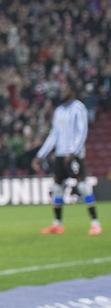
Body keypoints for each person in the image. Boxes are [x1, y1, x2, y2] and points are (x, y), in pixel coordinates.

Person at [34, 84, 101, 236]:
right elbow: (53, 135)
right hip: (59, 155)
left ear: (72, 91)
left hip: (73, 155)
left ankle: (95, 223)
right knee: (57, 188)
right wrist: (40, 155)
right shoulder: (59, 111)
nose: (62, 92)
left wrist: (74, 151)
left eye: (65, 89)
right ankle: (58, 224)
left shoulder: (79, 108)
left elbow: (82, 131)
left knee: (83, 186)